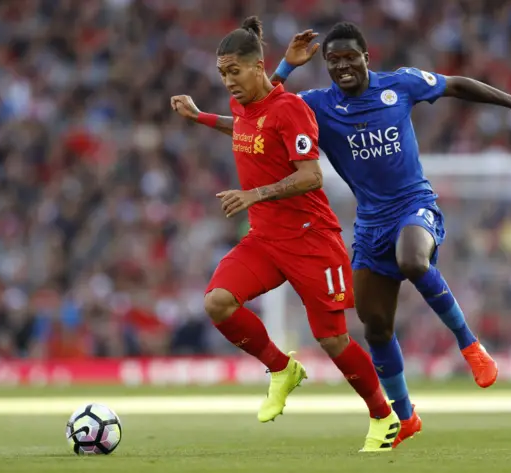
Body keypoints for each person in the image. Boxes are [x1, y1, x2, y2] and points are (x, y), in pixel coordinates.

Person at [175, 21, 511, 447]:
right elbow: (257, 121)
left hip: (413, 205)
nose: (342, 66)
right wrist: (211, 112)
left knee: (412, 260)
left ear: (366, 57)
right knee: (374, 328)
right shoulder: (317, 104)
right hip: (371, 223)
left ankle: (470, 346)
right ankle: (404, 417)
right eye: (333, 60)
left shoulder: (401, 84)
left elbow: (457, 85)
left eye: (349, 57)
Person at [171, 17, 401, 453]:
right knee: (218, 303)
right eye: (222, 74)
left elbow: (312, 176)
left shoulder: (292, 110)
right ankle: (282, 369)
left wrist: (254, 193)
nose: (227, 82)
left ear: (257, 67)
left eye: (234, 72)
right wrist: (197, 115)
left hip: (311, 239)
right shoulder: (247, 104)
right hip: (265, 239)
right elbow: (242, 125)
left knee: (332, 339)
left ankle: (382, 415)